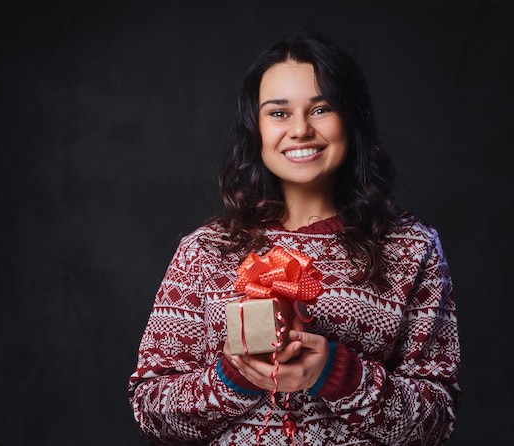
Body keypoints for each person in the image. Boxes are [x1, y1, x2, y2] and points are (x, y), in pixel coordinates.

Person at [128, 30, 461, 446]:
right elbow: (151, 410)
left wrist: (339, 375)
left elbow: (436, 421)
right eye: (279, 113)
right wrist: (232, 379)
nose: (300, 129)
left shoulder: (412, 247)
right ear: (257, 129)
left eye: (321, 109)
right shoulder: (205, 250)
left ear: (351, 119)